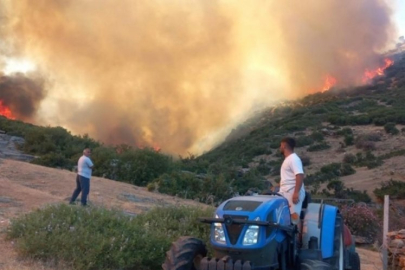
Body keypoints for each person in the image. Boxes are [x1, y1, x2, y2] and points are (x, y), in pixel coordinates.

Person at [279, 137, 305, 225]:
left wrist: (296, 193)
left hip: (292, 191)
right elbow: (288, 178)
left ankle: (296, 237)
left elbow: (299, 175)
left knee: (294, 219)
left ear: (284, 146)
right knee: (285, 218)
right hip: (285, 192)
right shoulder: (288, 159)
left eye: (280, 146)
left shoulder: (294, 159)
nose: (280, 148)